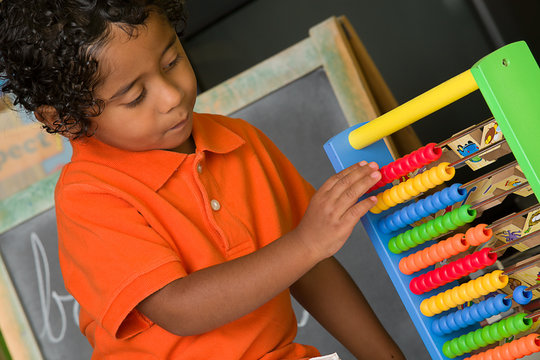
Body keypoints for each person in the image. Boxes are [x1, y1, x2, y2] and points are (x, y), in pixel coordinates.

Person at [0, 1, 405, 359]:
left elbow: (310, 268)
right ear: (64, 120)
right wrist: (307, 243)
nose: (171, 95)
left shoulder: (241, 142)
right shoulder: (88, 195)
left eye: (171, 60)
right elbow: (178, 309)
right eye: (135, 97)